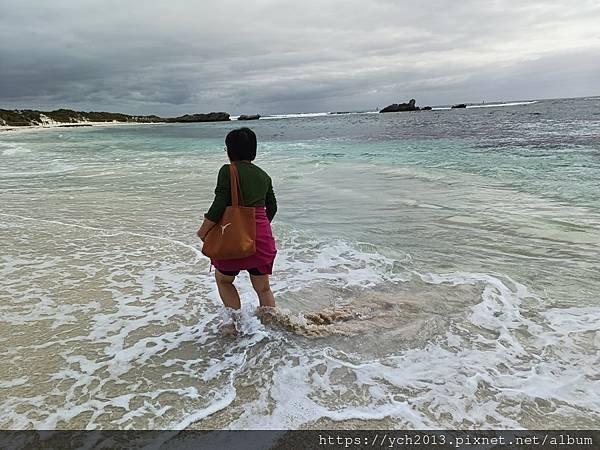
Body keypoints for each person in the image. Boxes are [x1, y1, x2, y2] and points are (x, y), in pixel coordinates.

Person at [197, 127, 278, 328]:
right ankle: (272, 329)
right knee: (263, 288)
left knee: (224, 280)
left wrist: (203, 230)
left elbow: (220, 203)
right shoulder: (263, 175)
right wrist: (256, 228)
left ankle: (235, 326)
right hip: (260, 239)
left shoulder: (228, 170)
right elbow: (273, 208)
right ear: (254, 150)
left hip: (233, 240)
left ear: (229, 150)